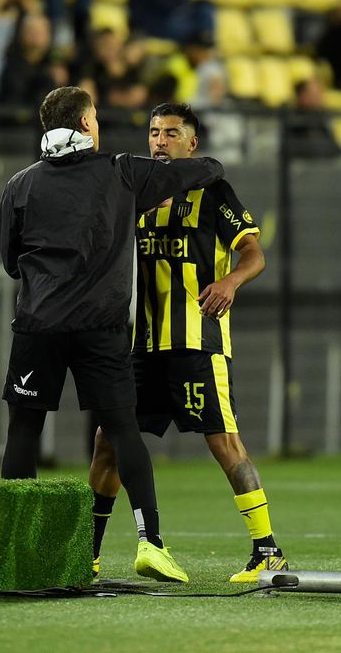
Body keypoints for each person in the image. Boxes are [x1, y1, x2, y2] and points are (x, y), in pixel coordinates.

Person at [0, 86, 225, 583]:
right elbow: (205, 169)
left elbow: (11, 262)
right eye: (95, 117)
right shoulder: (122, 172)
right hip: (101, 329)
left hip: (39, 325)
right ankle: (151, 542)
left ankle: (17, 550)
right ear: (83, 125)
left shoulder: (20, 185)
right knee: (123, 430)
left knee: (24, 431)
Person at [87, 102, 289, 583]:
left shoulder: (212, 191)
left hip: (198, 342)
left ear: (192, 143)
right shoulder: (129, 191)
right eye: (154, 132)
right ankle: (87, 554)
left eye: (171, 133)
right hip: (138, 347)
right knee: (107, 445)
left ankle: (267, 550)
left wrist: (231, 283)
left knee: (223, 442)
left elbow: (254, 253)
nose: (159, 141)